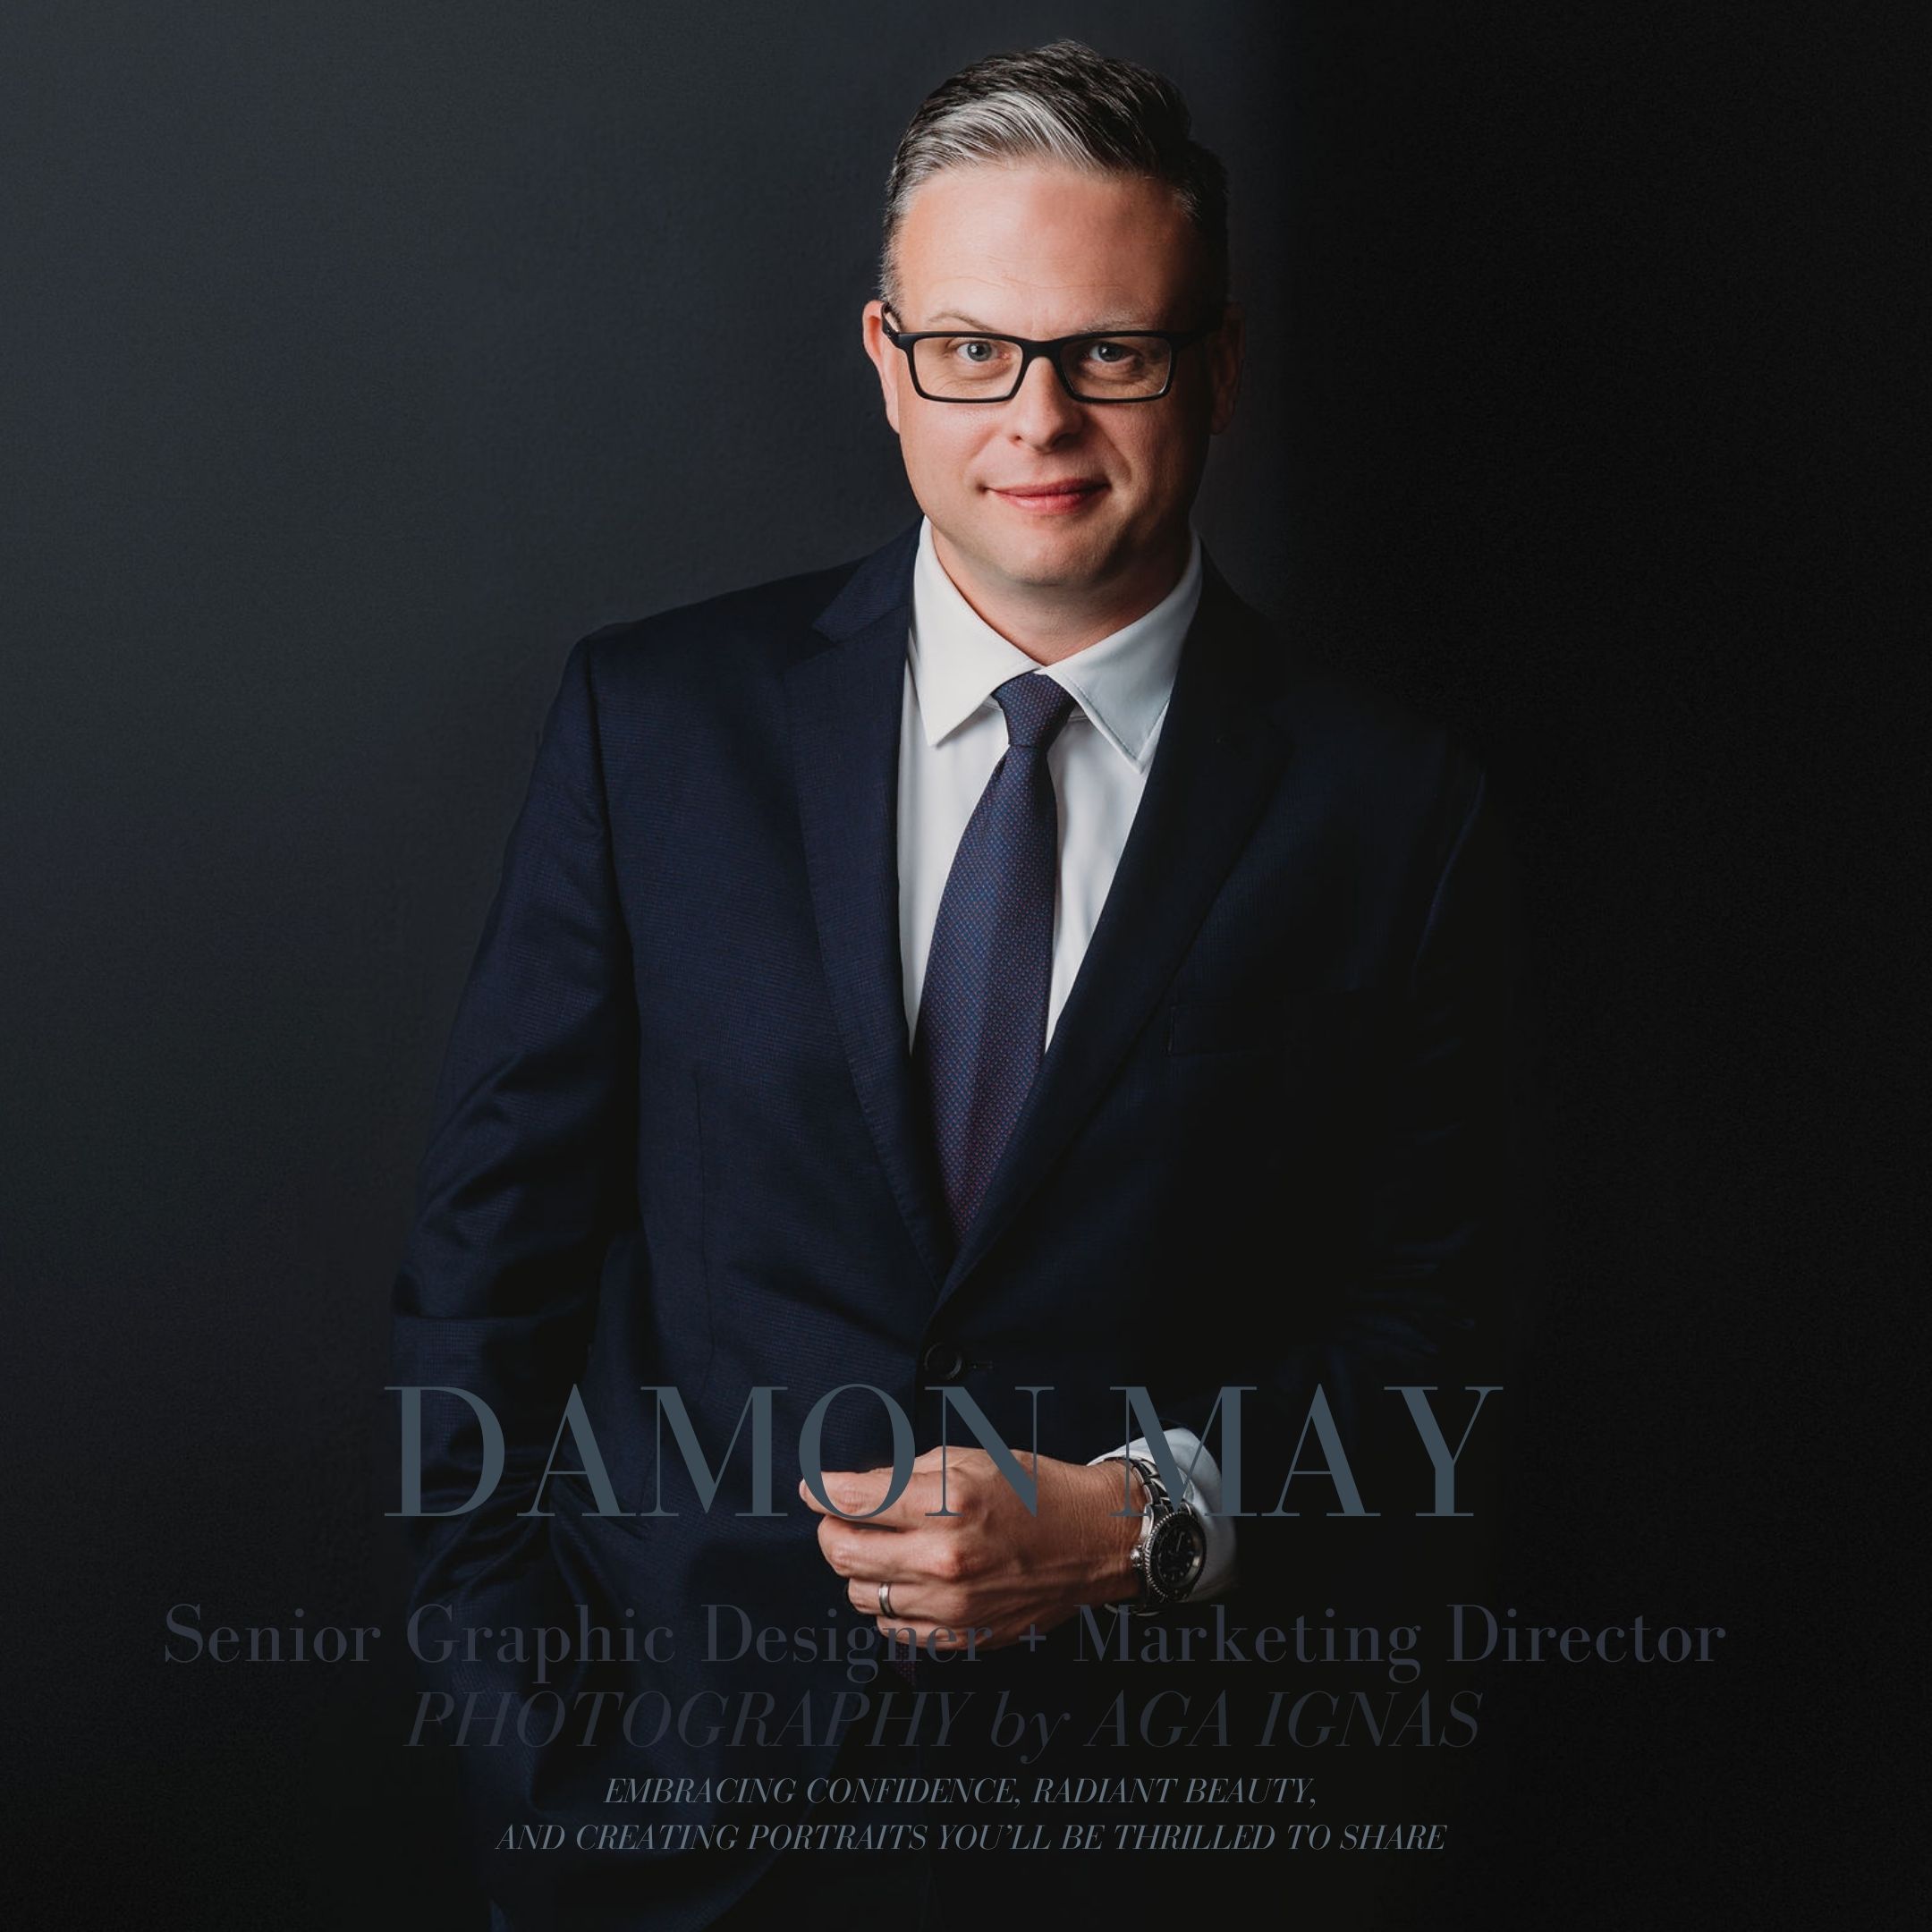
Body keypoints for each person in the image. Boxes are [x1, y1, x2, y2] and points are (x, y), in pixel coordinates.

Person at [392, 38, 1518, 1930]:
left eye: (1114, 353)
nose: (1040, 420)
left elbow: (1442, 1348)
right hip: (668, 1824)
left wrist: (1141, 1525)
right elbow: (483, 1265)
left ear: (1219, 371)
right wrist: (530, 1727)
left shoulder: (1395, 812)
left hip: (1171, 1835)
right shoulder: (652, 730)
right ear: (887, 365)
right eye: (974, 350)